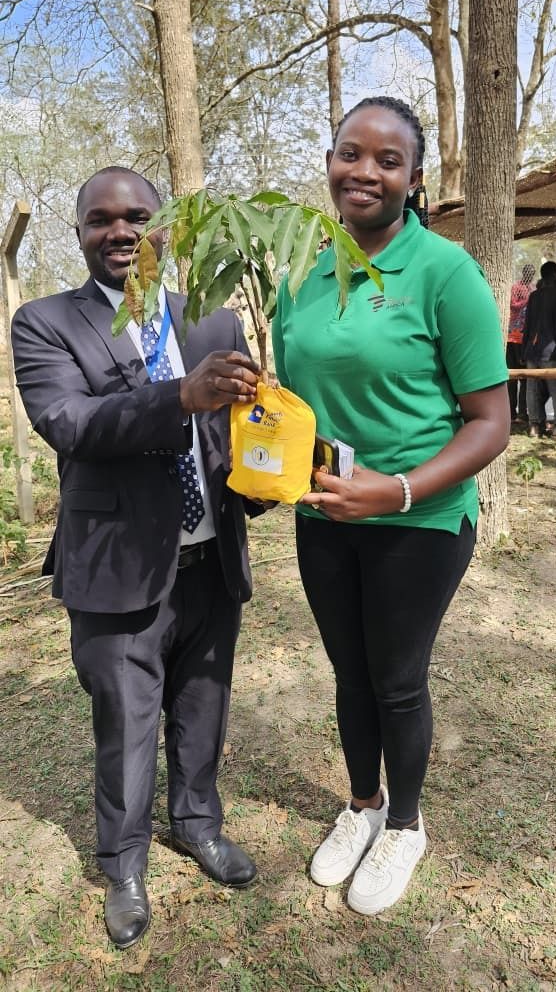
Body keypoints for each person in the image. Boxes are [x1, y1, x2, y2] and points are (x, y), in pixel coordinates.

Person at [11, 167, 265, 949]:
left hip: (209, 561)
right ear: (81, 232)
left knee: (202, 707)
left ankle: (196, 823)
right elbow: (70, 423)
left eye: (138, 217)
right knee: (124, 722)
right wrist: (177, 398)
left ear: (166, 228)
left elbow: (229, 439)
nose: (120, 231)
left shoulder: (211, 323)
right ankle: (122, 865)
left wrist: (274, 475)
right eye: (100, 219)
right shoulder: (44, 323)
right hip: (116, 568)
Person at [272, 97, 510, 916]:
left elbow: (491, 419)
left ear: (412, 178)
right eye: (349, 153)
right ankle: (361, 806)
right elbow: (299, 393)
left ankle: (405, 825)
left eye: (386, 161)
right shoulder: (300, 272)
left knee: (396, 679)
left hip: (419, 518)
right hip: (325, 514)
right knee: (348, 671)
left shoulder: (443, 272)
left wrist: (398, 488)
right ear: (330, 161)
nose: (363, 172)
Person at [521, 260, 556, 438]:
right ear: (555, 274)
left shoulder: (534, 296)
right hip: (553, 350)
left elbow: (527, 326)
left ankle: (534, 426)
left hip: (532, 350)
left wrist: (524, 349)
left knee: (532, 388)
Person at [507, 263, 535, 423]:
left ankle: (522, 413)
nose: (530, 276)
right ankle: (511, 411)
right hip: (512, 337)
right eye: (528, 273)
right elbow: (513, 304)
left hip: (525, 338)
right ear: (524, 273)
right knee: (512, 377)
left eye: (532, 274)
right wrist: (527, 300)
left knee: (525, 377)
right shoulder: (516, 287)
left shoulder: (531, 288)